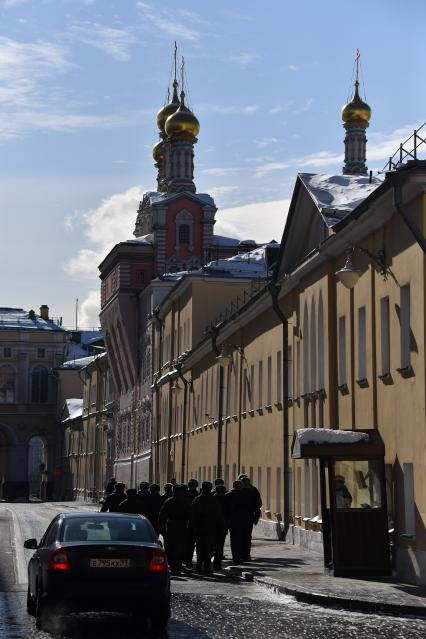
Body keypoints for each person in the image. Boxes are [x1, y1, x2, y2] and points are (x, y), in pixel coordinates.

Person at [158, 484, 191, 575]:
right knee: (180, 547)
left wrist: (161, 529)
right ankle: (178, 567)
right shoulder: (186, 501)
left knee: (170, 548)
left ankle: (173, 567)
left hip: (171, 526)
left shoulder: (168, 501)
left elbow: (162, 517)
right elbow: (191, 516)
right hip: (182, 527)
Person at [191, 481, 223, 574]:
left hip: (199, 527)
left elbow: (192, 514)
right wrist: (220, 526)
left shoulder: (197, 499)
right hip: (210, 527)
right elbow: (218, 514)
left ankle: (198, 566)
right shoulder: (213, 500)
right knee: (209, 547)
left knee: (199, 547)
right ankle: (207, 567)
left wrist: (193, 527)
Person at [225, 480, 252, 563]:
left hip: (232, 520)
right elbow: (248, 508)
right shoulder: (245, 495)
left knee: (234, 539)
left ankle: (235, 557)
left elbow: (226, 509)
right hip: (242, 520)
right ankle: (242, 556)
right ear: (241, 486)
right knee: (242, 538)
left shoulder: (228, 495)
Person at [240, 475, 262, 561]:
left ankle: (240, 554)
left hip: (240, 517)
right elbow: (259, 504)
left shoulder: (239, 491)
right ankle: (246, 554)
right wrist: (256, 515)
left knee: (240, 536)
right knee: (247, 536)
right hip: (249, 516)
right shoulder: (253, 490)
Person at [213, 484, 230, 570]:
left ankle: (207, 563)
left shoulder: (212, 499)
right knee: (219, 546)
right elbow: (229, 513)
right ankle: (217, 564)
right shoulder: (227, 500)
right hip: (222, 525)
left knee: (210, 545)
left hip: (211, 526)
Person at [185, 479, 199, 567]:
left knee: (187, 542)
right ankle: (191, 561)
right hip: (196, 522)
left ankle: (187, 559)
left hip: (185, 521)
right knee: (195, 542)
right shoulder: (198, 495)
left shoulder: (184, 495)